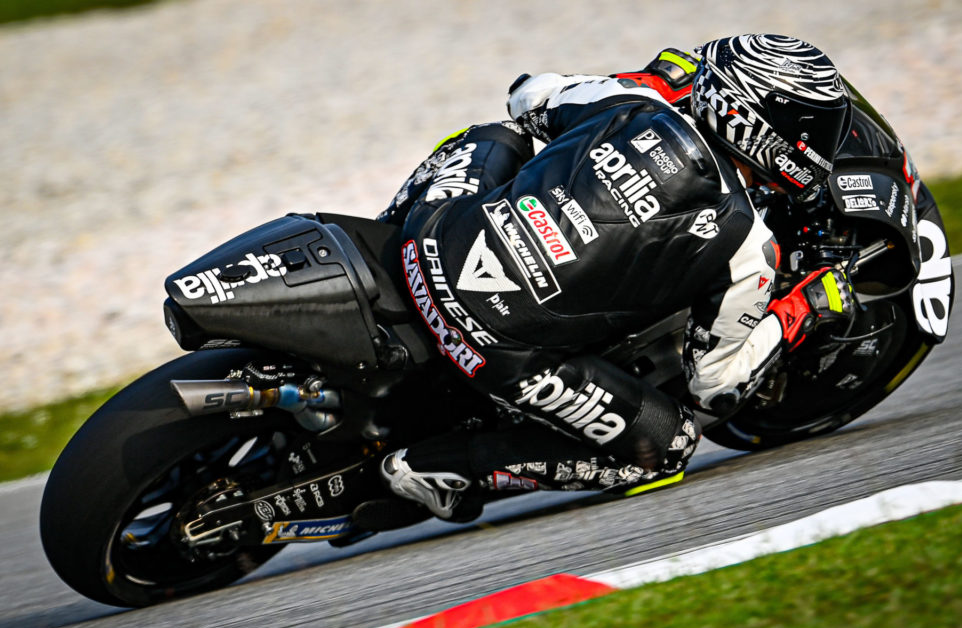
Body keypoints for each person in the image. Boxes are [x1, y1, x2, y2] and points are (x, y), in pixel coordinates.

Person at [359, 34, 860, 529]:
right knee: (670, 445)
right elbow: (714, 388)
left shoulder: (633, 101)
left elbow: (526, 97)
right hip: (495, 348)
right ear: (767, 126)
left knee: (493, 135)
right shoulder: (750, 247)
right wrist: (807, 307)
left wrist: (650, 81)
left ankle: (372, 254)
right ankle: (437, 467)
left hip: (424, 243)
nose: (819, 142)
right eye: (814, 128)